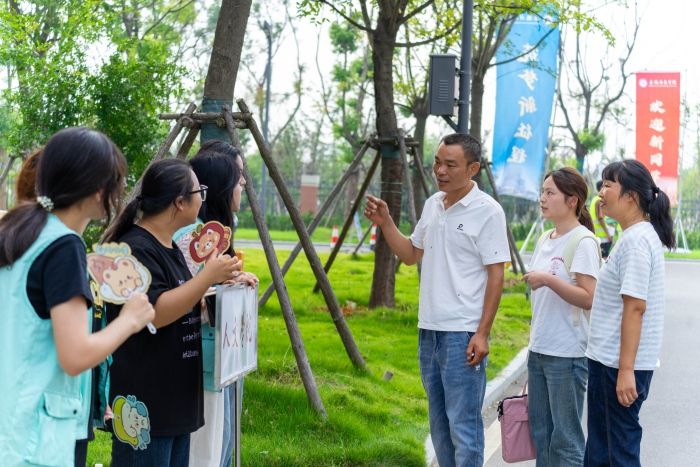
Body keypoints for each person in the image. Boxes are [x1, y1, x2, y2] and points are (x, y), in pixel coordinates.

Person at [0, 127, 155, 467]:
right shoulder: (63, 246)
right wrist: (130, 320)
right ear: (97, 188)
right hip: (35, 442)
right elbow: (75, 355)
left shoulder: (17, 232)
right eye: (115, 182)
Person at [364, 133, 510, 467]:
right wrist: (386, 223)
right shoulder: (433, 204)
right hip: (429, 330)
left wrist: (482, 333)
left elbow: (496, 274)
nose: (440, 170)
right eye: (437, 162)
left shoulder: (488, 211)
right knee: (440, 425)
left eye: (450, 165)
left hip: (463, 333)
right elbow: (411, 254)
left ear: (472, 169)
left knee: (464, 426)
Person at [103, 158, 240, 467]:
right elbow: (154, 312)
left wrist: (215, 285)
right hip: (144, 409)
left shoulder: (167, 246)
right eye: (198, 191)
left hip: (173, 405)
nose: (202, 198)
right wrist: (206, 277)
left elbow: (181, 300)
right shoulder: (136, 248)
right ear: (179, 202)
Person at [584, 159, 674, 467]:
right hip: (613, 362)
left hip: (616, 365)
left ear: (631, 197)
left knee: (614, 453)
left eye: (609, 185)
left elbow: (635, 308)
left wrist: (625, 370)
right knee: (603, 450)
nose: (601, 193)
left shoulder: (636, 242)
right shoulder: (636, 236)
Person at [173, 141, 257, 467]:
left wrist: (229, 283)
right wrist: (218, 284)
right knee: (205, 450)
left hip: (215, 363)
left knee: (217, 445)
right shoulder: (194, 239)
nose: (243, 182)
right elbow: (186, 300)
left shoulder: (211, 236)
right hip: (201, 364)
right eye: (238, 176)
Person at [522, 168, 600, 467]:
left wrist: (547, 279)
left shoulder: (583, 241)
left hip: (567, 355)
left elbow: (588, 297)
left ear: (572, 200)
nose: (542, 198)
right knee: (541, 435)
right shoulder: (545, 238)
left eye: (550, 193)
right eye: (542, 192)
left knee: (565, 441)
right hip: (539, 349)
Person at [590, 180, 616, 258]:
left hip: (597, 235)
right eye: (606, 186)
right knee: (605, 258)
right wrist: (608, 235)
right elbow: (600, 218)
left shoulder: (594, 199)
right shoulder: (599, 200)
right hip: (603, 237)